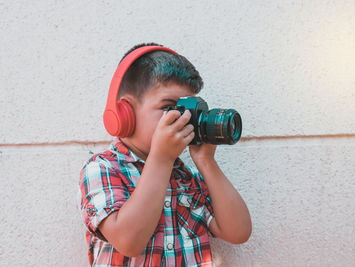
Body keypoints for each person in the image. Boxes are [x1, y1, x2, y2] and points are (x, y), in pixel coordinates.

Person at [79, 43, 252, 266]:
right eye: (170, 108)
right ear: (126, 113)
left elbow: (238, 232)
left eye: (188, 110)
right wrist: (161, 159)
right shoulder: (101, 168)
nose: (183, 119)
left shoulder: (186, 177)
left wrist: (206, 162)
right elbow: (129, 242)